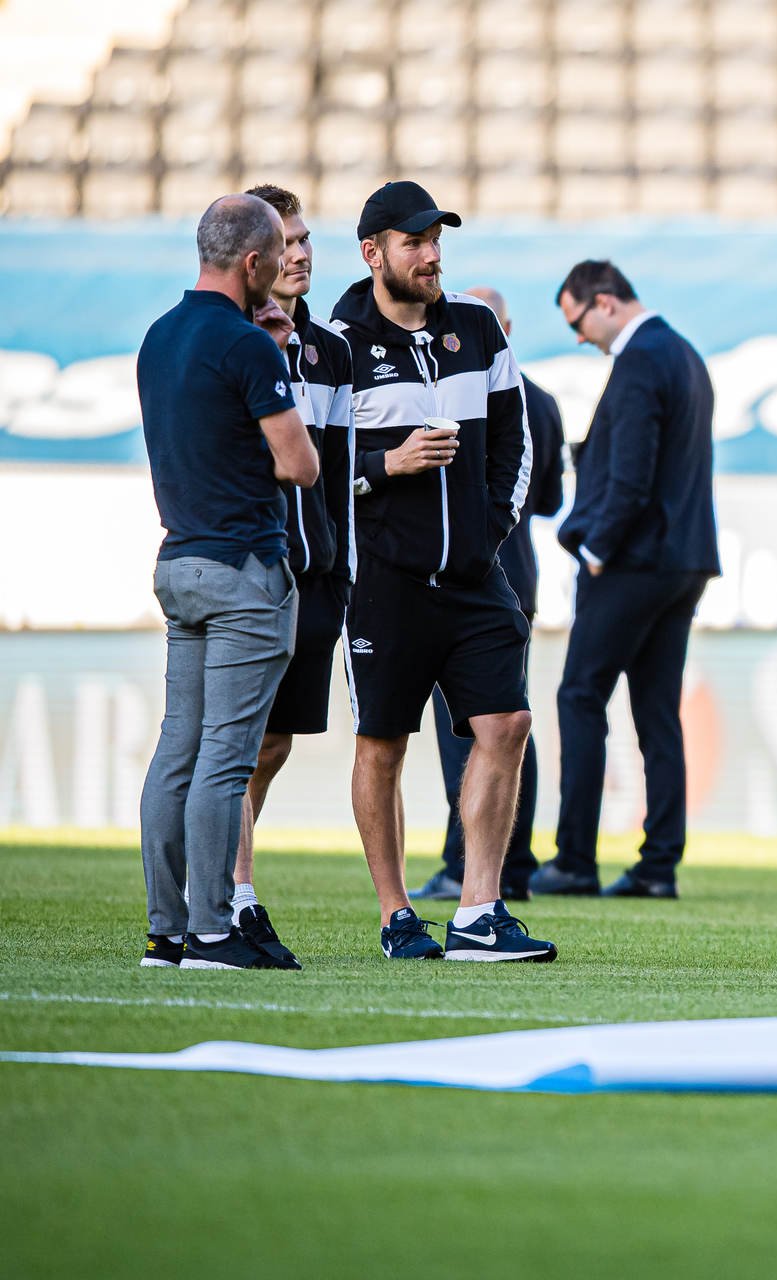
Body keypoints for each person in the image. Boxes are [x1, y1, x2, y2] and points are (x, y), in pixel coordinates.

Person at [331, 180, 555, 962]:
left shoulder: (477, 326)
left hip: (473, 577)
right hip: (382, 585)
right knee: (382, 745)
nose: (431, 256)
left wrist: (485, 536)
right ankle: (396, 914)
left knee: (508, 724)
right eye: (414, 243)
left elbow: (516, 444)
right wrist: (385, 465)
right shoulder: (336, 344)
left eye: (437, 242)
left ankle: (479, 910)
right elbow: (315, 468)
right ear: (374, 253)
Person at [136, 193, 317, 971]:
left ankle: (166, 933)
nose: (286, 267)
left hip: (179, 562)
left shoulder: (159, 335)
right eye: (278, 255)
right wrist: (271, 354)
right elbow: (300, 465)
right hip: (243, 569)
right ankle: (213, 930)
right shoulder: (247, 347)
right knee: (226, 759)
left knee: (176, 751)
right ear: (252, 261)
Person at [532, 260, 720, 899]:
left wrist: (597, 548)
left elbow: (632, 475)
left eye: (578, 321)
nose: (579, 336)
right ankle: (658, 866)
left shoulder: (640, 359)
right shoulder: (684, 353)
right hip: (683, 561)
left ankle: (574, 861)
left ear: (605, 302)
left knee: (580, 696)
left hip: (635, 561)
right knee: (657, 713)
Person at [223, 183, 353, 970]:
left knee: (273, 743)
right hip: (251, 573)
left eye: (306, 240)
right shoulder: (230, 342)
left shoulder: (331, 352)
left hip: (319, 577)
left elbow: (340, 470)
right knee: (236, 742)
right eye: (287, 242)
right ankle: (233, 891)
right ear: (256, 257)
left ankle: (226, 875)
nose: (300, 254)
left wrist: (342, 562)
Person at [410, 285, 566, 904]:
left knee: (467, 732)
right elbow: (548, 499)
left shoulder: (446, 394)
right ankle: (515, 865)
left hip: (467, 575)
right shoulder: (541, 400)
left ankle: (464, 866)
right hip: (517, 573)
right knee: (508, 722)